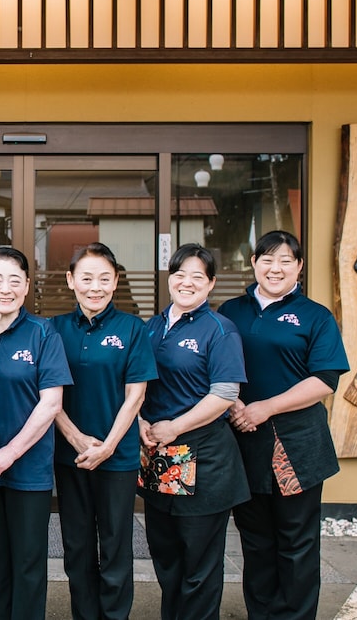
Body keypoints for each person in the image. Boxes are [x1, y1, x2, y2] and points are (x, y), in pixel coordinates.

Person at [218, 230, 349, 620]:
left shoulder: (315, 316)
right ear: (254, 263)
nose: (275, 268)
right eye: (267, 259)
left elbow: (324, 380)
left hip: (296, 447)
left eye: (285, 261)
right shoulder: (230, 311)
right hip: (243, 443)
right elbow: (215, 368)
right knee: (255, 541)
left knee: (296, 541)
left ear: (299, 267)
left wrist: (265, 408)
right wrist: (234, 404)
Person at [138, 243, 249, 620]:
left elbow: (225, 393)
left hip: (203, 457)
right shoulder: (151, 327)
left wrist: (176, 426)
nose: (187, 283)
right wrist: (139, 422)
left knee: (199, 564)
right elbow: (134, 385)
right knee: (166, 556)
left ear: (211, 284)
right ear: (170, 279)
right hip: (159, 457)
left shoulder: (220, 329)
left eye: (197, 277)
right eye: (180, 274)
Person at [0, 247, 71, 620]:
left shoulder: (44, 333)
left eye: (14, 280)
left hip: (28, 469)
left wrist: (7, 453)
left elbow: (50, 404)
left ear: (26, 287)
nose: (4, 288)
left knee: (28, 560)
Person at [52, 243, 158, 620]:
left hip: (118, 458)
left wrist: (108, 446)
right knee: (76, 546)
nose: (94, 287)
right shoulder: (55, 329)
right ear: (71, 281)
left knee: (115, 546)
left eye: (103, 279)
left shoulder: (132, 328)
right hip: (71, 457)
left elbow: (136, 396)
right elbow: (48, 396)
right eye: (86, 278)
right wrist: (76, 439)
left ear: (115, 282)